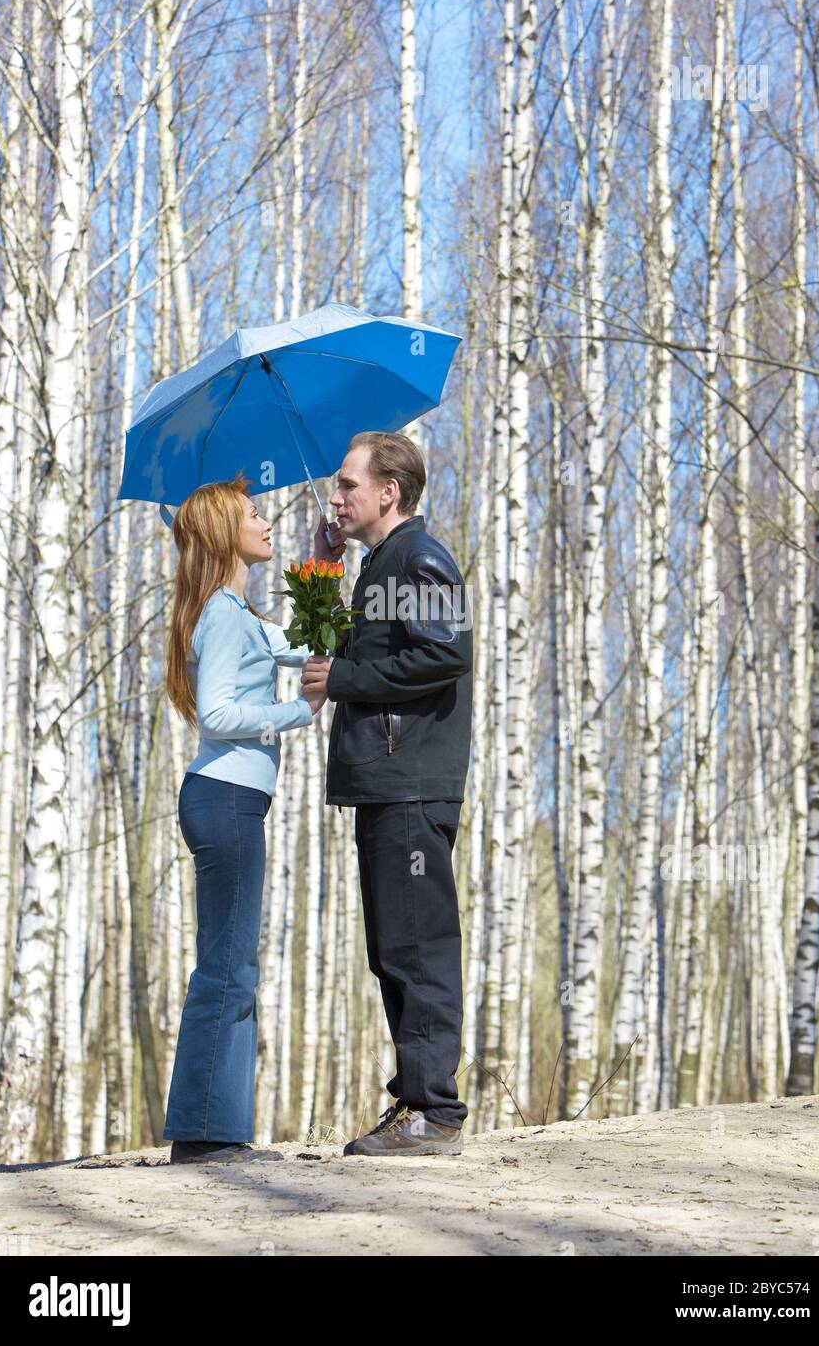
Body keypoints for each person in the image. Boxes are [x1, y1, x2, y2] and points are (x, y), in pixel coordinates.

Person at [162, 474, 345, 1164]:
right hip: (224, 798)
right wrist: (297, 712)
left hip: (231, 799)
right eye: (253, 514)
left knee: (232, 962)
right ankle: (205, 1136)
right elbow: (216, 714)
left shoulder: (236, 611)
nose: (267, 522)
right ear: (222, 534)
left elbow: (307, 640)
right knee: (227, 967)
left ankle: (213, 1129)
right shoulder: (219, 613)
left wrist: (325, 558)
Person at [301, 431, 473, 1156]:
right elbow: (332, 647)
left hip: (409, 784)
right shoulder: (379, 564)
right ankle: (416, 1104)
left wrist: (344, 682)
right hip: (384, 783)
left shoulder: (415, 558)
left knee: (417, 947)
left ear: (387, 493)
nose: (335, 497)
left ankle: (434, 1115)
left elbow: (444, 652)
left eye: (346, 485)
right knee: (392, 948)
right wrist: (319, 570)